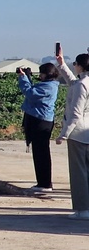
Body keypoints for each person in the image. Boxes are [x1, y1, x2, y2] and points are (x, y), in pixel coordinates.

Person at [55, 46, 89, 219]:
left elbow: (76, 114)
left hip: (79, 133)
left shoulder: (82, 85)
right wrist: (61, 64)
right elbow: (72, 82)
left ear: (81, 66)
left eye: (75, 63)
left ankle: (83, 209)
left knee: (79, 174)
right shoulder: (83, 82)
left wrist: (64, 134)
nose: (74, 66)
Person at [18, 62, 60, 192]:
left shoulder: (49, 87)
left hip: (41, 122)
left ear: (47, 74)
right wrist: (28, 77)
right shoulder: (46, 85)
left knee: (42, 153)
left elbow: (30, 93)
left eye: (41, 73)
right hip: (39, 120)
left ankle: (45, 183)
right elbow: (32, 91)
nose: (40, 76)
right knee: (39, 153)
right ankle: (42, 182)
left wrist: (23, 78)